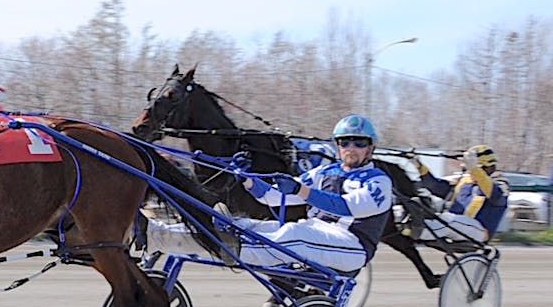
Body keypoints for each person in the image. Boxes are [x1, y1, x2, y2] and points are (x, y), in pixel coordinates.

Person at [144, 114, 394, 275]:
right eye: (345, 142)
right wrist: (248, 180)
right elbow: (274, 197)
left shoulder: (378, 181)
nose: (351, 148)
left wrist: (301, 190)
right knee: (244, 225)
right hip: (317, 234)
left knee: (294, 234)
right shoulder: (323, 172)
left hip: (351, 246)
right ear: (338, 145)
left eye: (359, 143)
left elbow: (345, 206)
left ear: (370, 147)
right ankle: (156, 235)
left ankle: (234, 251)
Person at [406, 145, 509, 243]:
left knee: (449, 220)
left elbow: (497, 197)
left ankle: (416, 232)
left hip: (480, 232)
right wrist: (419, 167)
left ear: (488, 167)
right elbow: (436, 187)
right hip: (456, 225)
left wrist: (475, 170)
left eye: (472, 168)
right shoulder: (464, 181)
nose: (469, 171)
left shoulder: (500, 183)